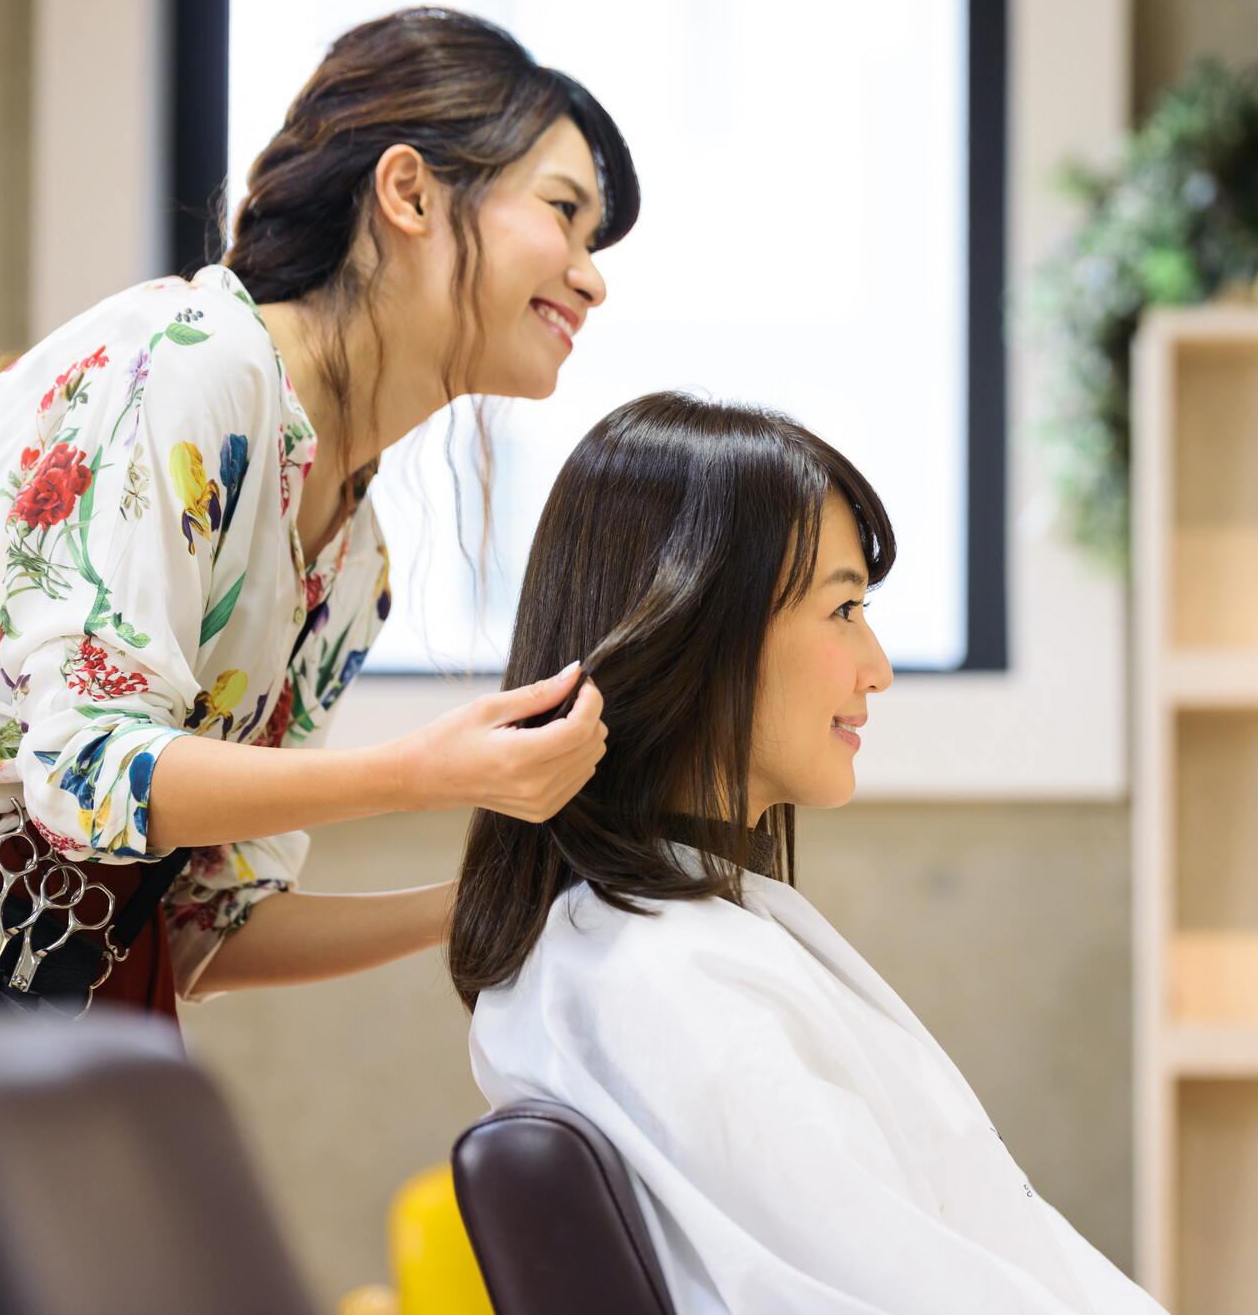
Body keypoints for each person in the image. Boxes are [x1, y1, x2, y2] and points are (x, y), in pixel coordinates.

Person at [0, 9, 627, 1017]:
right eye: (563, 212)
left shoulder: (355, 555)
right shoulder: (195, 361)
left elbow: (201, 924)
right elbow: (84, 772)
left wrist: (483, 903)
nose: (591, 276)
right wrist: (421, 772)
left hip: (82, 986)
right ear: (409, 193)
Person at [456, 391, 1163, 1315]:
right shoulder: (666, 979)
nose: (877, 665)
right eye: (843, 611)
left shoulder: (663, 951)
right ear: (698, 627)